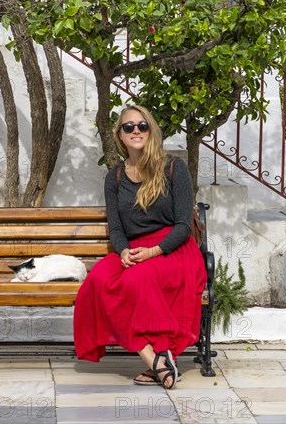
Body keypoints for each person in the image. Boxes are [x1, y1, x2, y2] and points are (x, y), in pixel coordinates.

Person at [73, 105, 207, 389]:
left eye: (142, 126)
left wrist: (154, 251)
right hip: (134, 249)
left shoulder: (173, 167)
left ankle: (158, 359)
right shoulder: (116, 177)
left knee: (136, 279)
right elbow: (117, 228)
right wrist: (122, 250)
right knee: (98, 279)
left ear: (151, 131)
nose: (136, 131)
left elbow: (184, 225)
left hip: (172, 249)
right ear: (120, 135)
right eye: (129, 127)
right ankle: (155, 359)